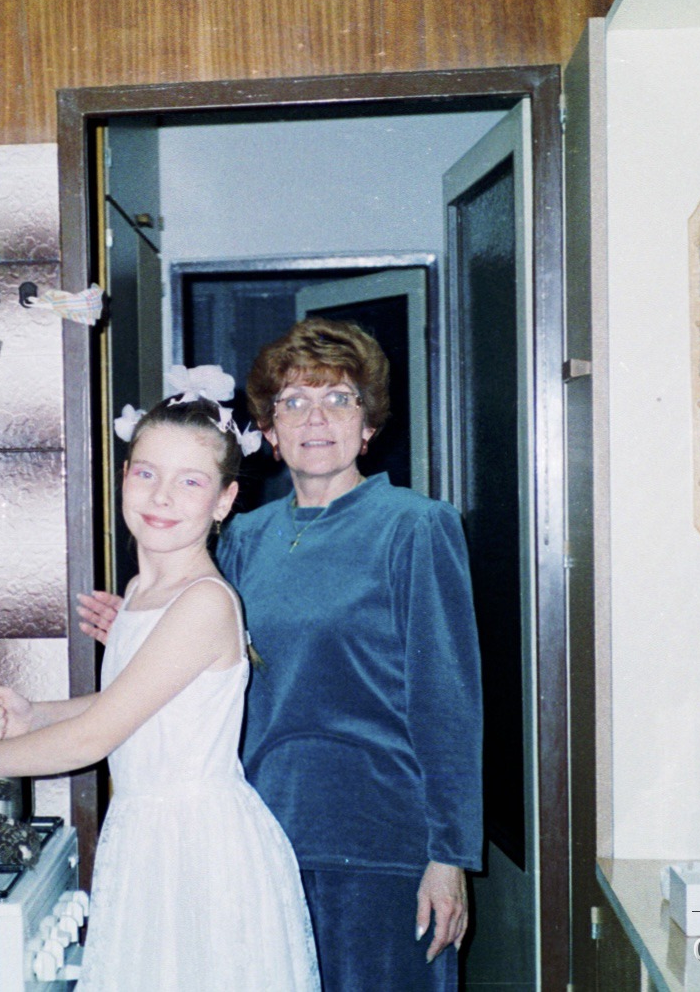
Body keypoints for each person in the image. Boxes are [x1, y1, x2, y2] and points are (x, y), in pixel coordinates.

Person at [81, 319, 484, 991]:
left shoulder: (414, 526)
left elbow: (447, 700)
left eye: (338, 399)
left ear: (368, 424)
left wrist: (449, 855)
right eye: (293, 402)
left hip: (381, 844)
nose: (315, 418)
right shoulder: (244, 537)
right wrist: (139, 627)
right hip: (258, 839)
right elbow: (216, 665)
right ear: (268, 430)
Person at [0, 376, 320, 992]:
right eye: (146, 473)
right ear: (124, 475)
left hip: (196, 847)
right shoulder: (140, 592)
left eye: (190, 481)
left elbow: (92, 740)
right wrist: (35, 712)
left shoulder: (203, 602)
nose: (161, 496)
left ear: (224, 500)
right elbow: (140, 706)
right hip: (151, 837)